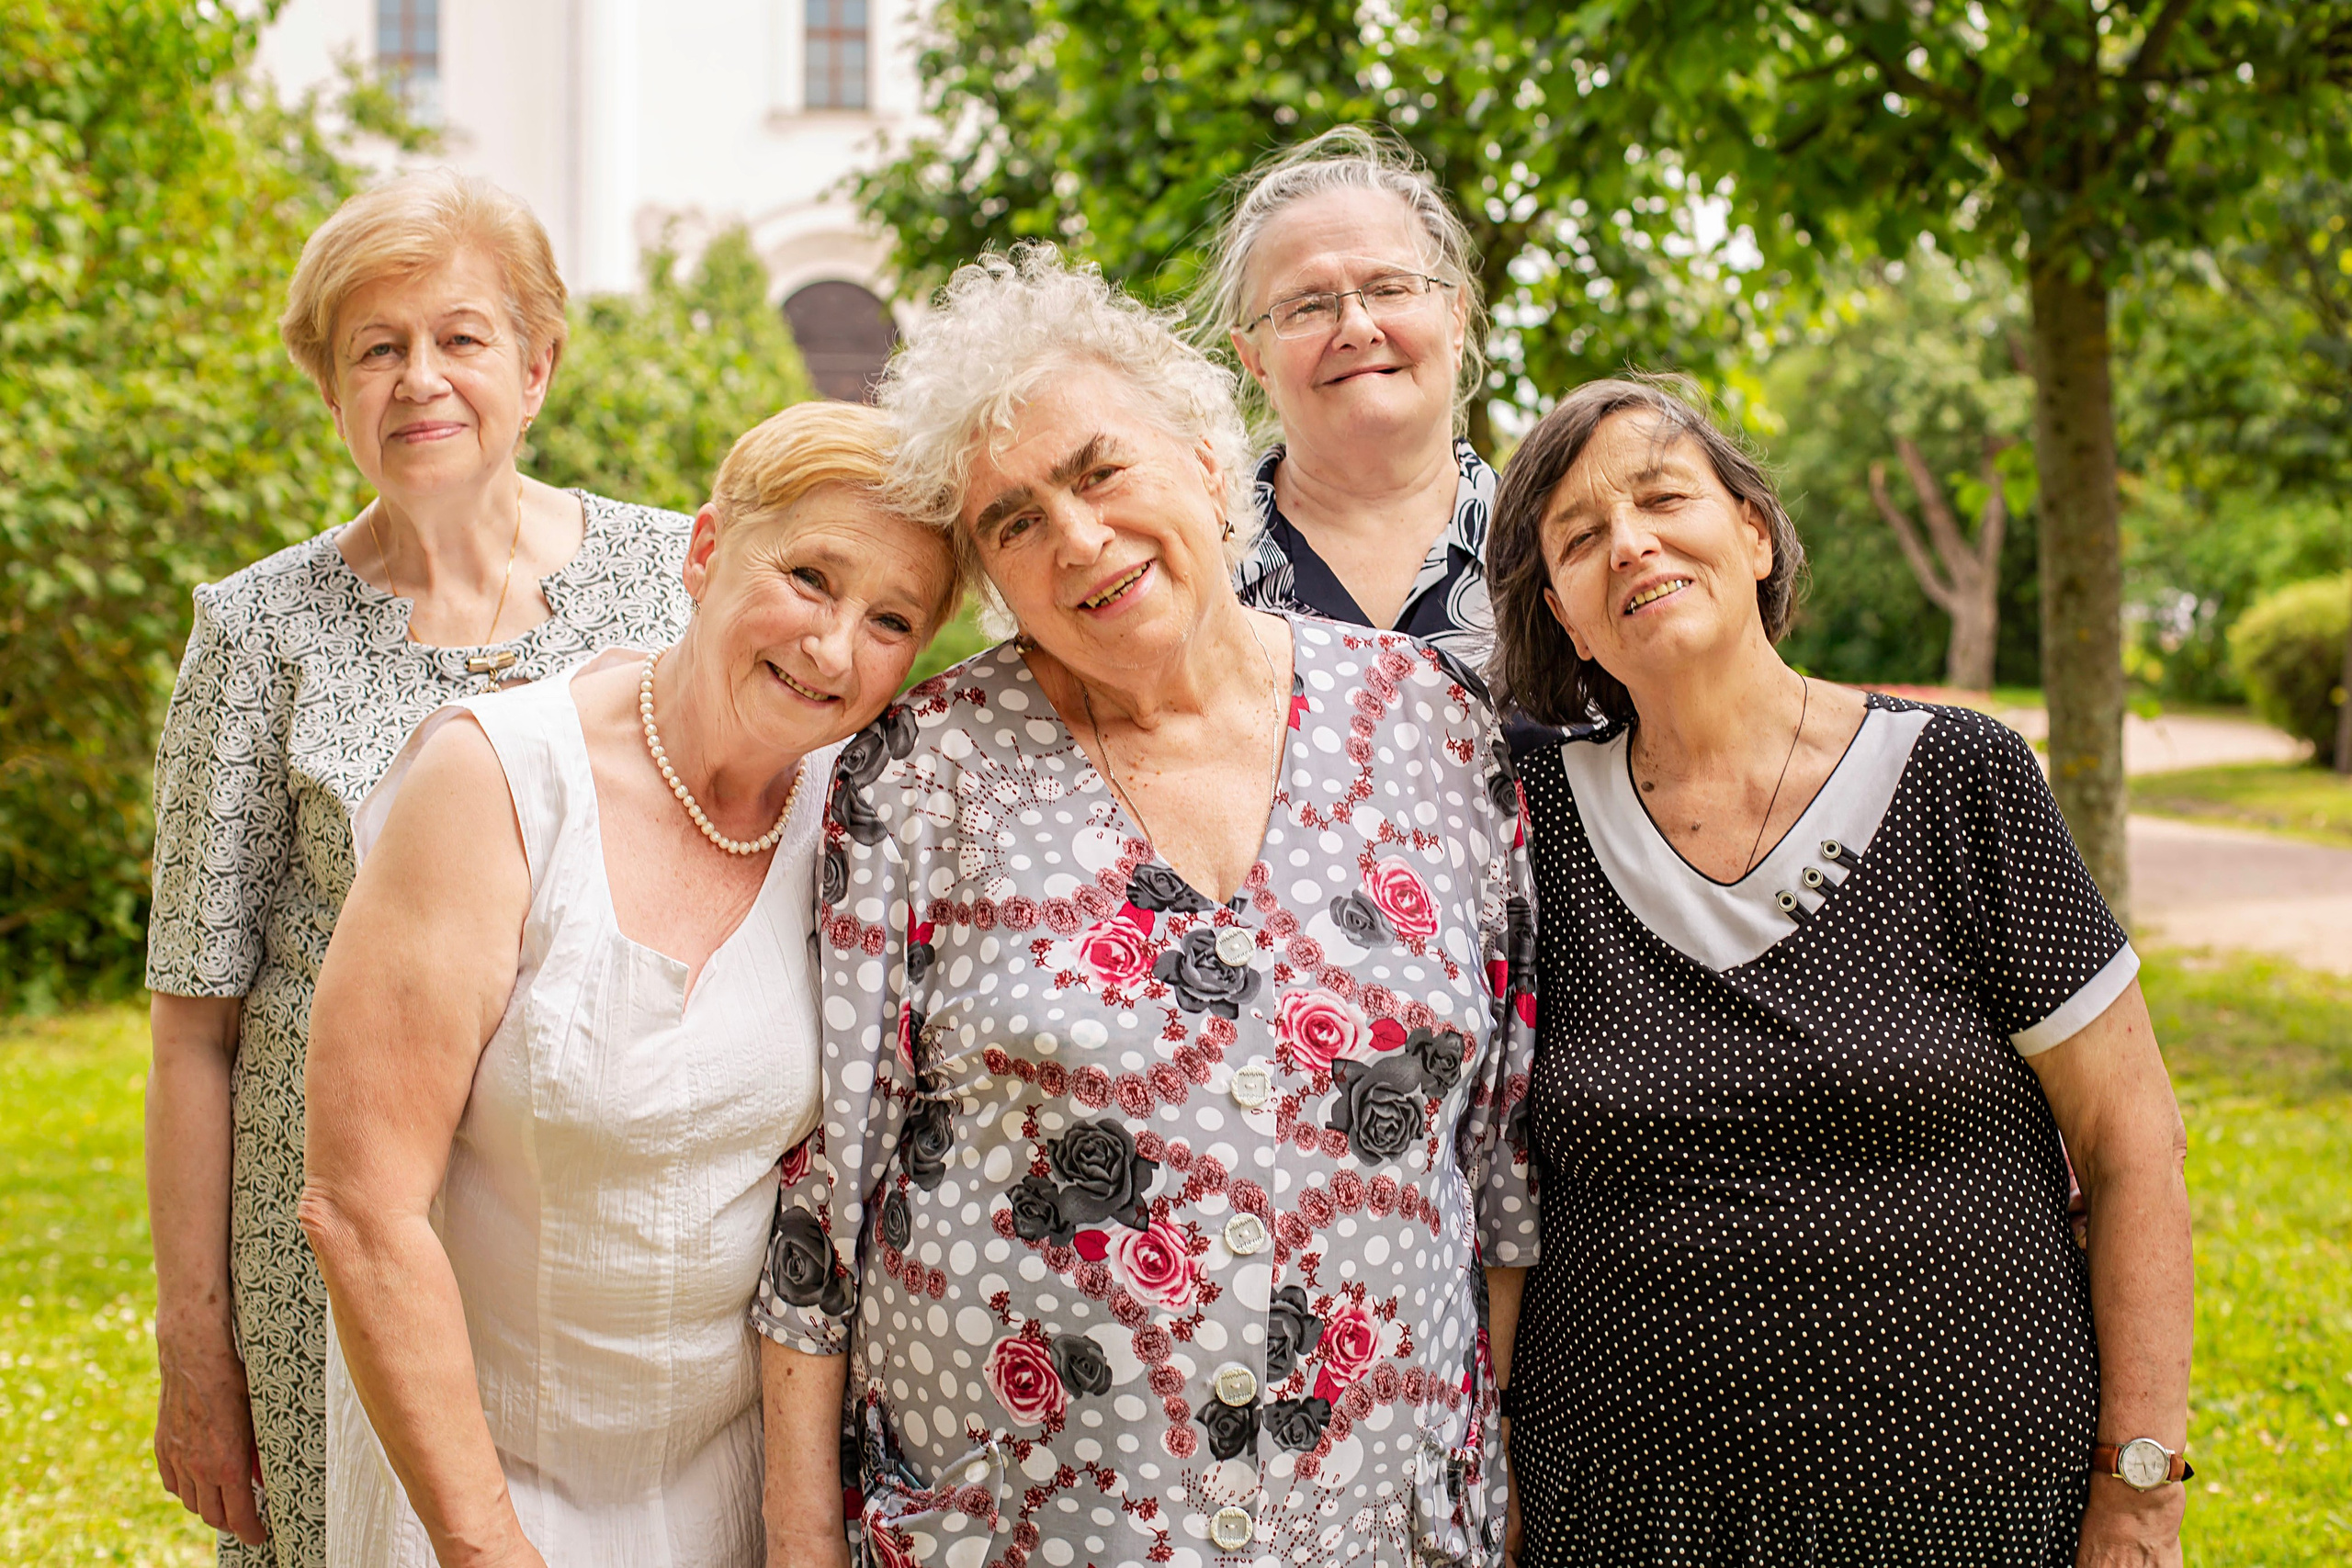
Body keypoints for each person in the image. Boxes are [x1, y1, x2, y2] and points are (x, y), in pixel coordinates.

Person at [748, 245, 1543, 1568]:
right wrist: (796, 1545)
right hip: (1024, 1528)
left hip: (1375, 1521)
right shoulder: (923, 774)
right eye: (1011, 520)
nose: (1075, 536)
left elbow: (1499, 1159)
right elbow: (824, 1195)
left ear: (1210, 460)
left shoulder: (1434, 726)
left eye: (1099, 467)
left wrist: (1496, 1486)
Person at [1483, 377, 2193, 1566]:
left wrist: (2140, 1491)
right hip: (1620, 1509)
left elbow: (2133, 1143)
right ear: (1562, 609)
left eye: (1665, 497)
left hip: (1972, 1500)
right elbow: (1496, 1188)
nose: (1633, 543)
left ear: (1754, 531)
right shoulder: (1528, 823)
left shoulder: (1960, 777)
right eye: (1582, 536)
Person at [299, 400, 960, 1567]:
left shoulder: (857, 823)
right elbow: (362, 1209)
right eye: (808, 576)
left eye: (891, 619)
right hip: (475, 1479)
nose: (832, 648)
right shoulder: (495, 779)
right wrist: (483, 1544)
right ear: (707, 551)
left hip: (729, 1484)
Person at [144, 169, 696, 1566]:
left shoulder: (673, 582)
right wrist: (200, 1345)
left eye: (459, 336)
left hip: (610, 1238)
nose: (419, 379)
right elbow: (194, 1029)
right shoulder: (254, 631)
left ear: (538, 362)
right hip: (327, 1247)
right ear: (329, 386)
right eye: (373, 347)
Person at [1199, 128, 1507, 683]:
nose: (1357, 329)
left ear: (1456, 319)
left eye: (1390, 288)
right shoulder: (1196, 571)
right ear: (1255, 360)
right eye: (1307, 306)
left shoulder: (1559, 548)